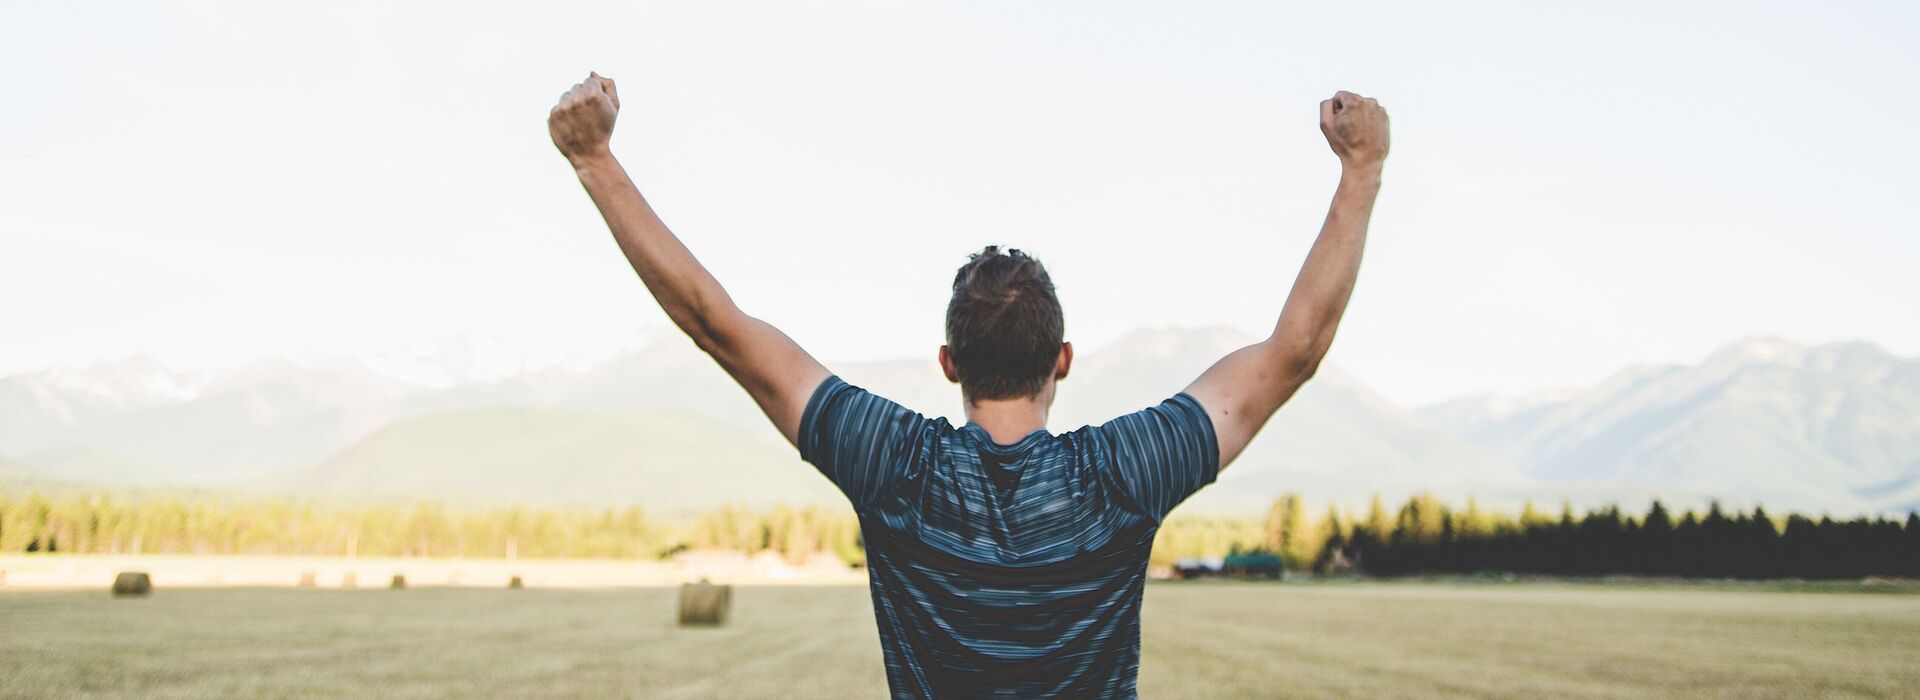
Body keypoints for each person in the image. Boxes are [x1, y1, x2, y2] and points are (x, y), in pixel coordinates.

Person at [548, 72, 1388, 699]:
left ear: (948, 362)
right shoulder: (1124, 474)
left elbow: (715, 325)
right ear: (1062, 358)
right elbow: (1295, 349)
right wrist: (1362, 170)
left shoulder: (894, 466)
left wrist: (595, 160)